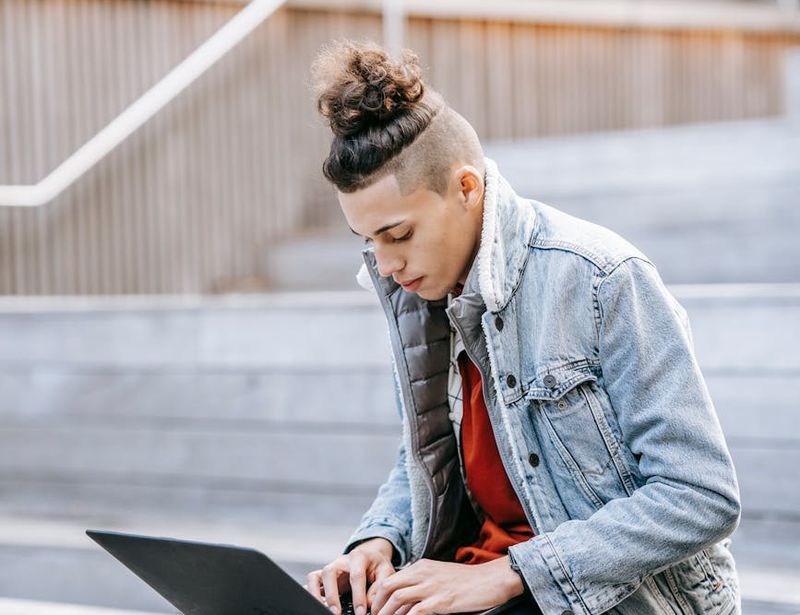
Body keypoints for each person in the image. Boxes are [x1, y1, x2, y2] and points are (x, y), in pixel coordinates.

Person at [304, 40, 741, 615]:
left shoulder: (600, 279)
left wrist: (515, 572)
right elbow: (430, 457)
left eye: (399, 234)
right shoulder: (423, 293)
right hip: (481, 586)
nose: (384, 265)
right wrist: (377, 540)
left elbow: (700, 495)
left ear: (466, 188)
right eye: (369, 241)